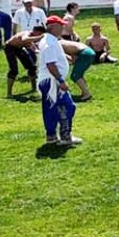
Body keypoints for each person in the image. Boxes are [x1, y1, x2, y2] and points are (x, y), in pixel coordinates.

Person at [36, 16, 82, 147]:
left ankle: (53, 136)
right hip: (52, 81)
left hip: (51, 80)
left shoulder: (50, 40)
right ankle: (64, 136)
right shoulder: (49, 43)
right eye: (60, 25)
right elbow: (51, 64)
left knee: (56, 108)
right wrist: (61, 80)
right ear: (52, 27)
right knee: (66, 106)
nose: (63, 27)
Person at [3, 27, 41, 98]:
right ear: (35, 32)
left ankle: (34, 88)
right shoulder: (26, 34)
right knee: (14, 70)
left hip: (19, 48)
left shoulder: (30, 39)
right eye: (38, 34)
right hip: (9, 48)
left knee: (32, 67)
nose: (38, 36)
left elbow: (34, 49)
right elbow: (24, 39)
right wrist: (39, 37)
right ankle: (9, 93)